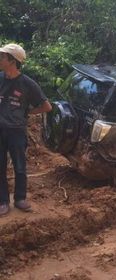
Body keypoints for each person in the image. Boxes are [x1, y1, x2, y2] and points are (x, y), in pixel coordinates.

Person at [0, 43, 52, 216]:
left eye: (3, 57)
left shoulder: (27, 84)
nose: (0, 59)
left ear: (13, 61)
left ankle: (20, 199)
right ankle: (3, 201)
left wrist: (28, 112)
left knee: (20, 166)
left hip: (16, 131)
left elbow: (46, 106)